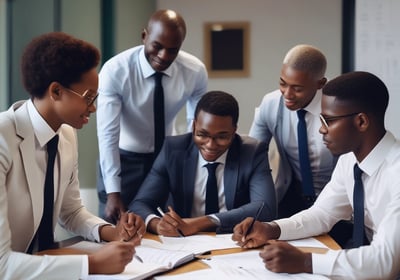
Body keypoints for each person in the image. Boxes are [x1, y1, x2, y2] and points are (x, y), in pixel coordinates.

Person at [0, 32, 145, 279]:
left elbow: (71, 211)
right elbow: (2, 264)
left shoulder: (65, 134)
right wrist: (91, 264)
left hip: (45, 264)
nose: (94, 107)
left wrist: (112, 232)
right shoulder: (3, 138)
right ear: (56, 91)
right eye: (89, 97)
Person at [232, 71, 400, 279]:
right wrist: (271, 229)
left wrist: (305, 261)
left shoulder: (396, 173)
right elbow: (322, 214)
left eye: (327, 120)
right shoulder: (350, 161)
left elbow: (386, 262)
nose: (321, 130)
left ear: (361, 122)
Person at [97, 9, 208, 223]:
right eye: (157, 46)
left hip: (166, 158)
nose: (163, 56)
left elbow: (195, 127)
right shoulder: (115, 70)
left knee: (169, 230)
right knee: (116, 231)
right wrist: (113, 193)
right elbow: (108, 134)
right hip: (122, 159)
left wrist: (187, 170)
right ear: (144, 36)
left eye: (173, 50)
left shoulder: (194, 71)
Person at [129, 91, 276, 237]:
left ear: (234, 131)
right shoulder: (173, 150)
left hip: (231, 239)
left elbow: (265, 207)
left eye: (222, 137)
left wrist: (198, 223)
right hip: (182, 242)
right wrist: (157, 224)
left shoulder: (252, 153)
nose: (210, 145)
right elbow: (139, 203)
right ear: (193, 127)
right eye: (202, 134)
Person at [249, 44, 336, 218]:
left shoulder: (337, 108)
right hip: (290, 197)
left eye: (297, 88)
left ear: (320, 84)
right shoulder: (271, 104)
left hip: (335, 201)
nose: (287, 94)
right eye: (283, 83)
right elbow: (250, 155)